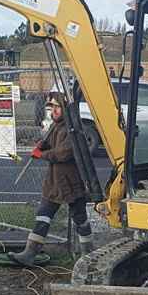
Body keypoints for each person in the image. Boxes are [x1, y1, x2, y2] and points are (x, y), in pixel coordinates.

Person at [8, 92, 94, 266]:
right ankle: (29, 254)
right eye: (51, 107)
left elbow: (63, 153)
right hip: (54, 182)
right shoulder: (56, 126)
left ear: (65, 109)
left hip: (71, 183)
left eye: (57, 107)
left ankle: (89, 255)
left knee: (80, 219)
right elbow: (52, 144)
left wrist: (42, 154)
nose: (53, 111)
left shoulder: (73, 130)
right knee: (43, 215)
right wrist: (43, 144)